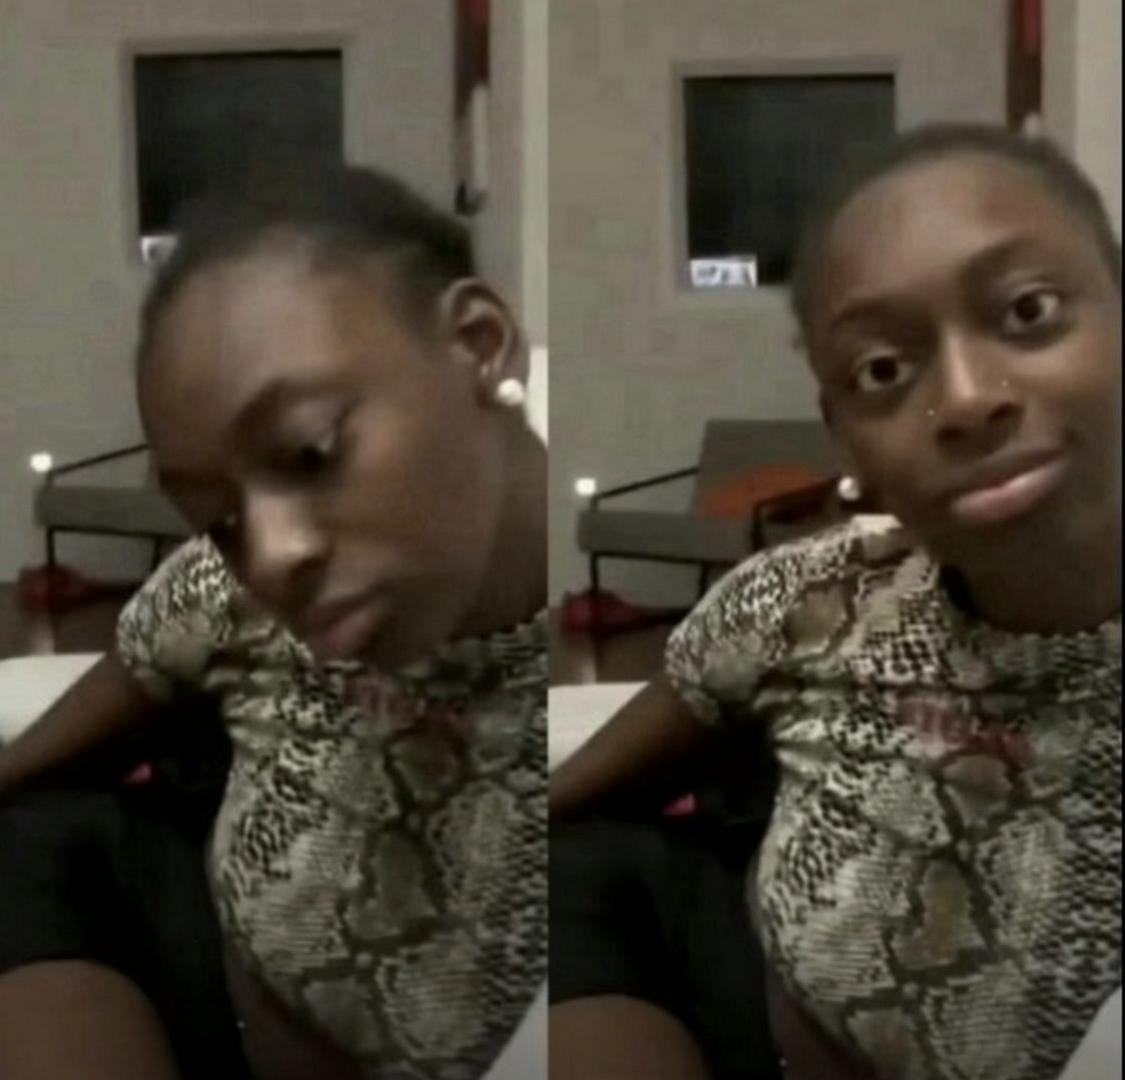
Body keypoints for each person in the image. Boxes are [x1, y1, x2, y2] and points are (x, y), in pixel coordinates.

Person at [549, 123, 1121, 1080]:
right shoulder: (815, 595)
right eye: (882, 370)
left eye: (1027, 311)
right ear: (845, 437)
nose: (967, 398)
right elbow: (571, 811)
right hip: (729, 1006)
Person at [0, 166, 547, 1080]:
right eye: (217, 518)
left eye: (309, 452)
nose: (273, 552)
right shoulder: (227, 594)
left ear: (478, 345)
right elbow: (51, 767)